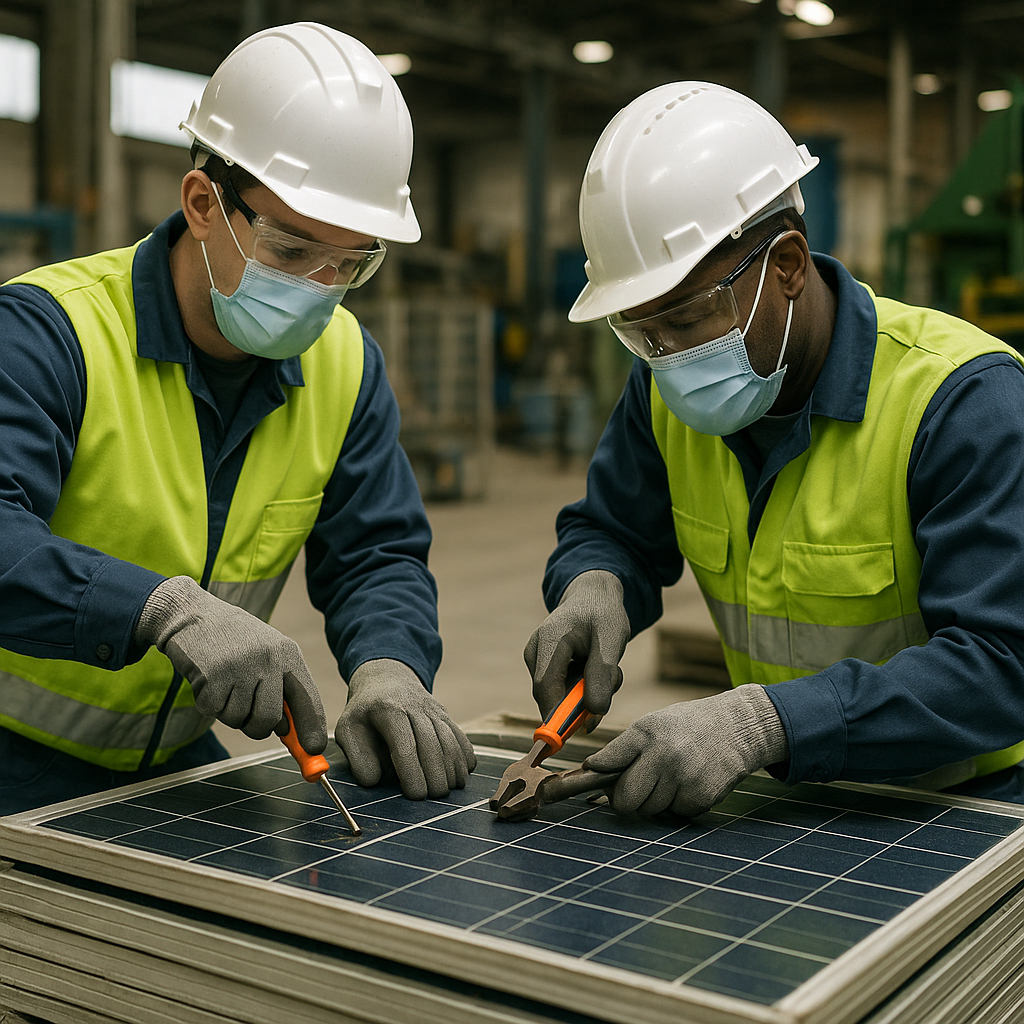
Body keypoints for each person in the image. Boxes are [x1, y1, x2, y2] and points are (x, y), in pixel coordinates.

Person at [0, 22, 475, 815]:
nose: (321, 286)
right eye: (291, 251)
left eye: (352, 262)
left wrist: (389, 665)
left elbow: (375, 553)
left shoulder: (346, 365)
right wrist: (160, 608)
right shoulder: (50, 333)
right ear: (202, 204)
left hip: (176, 763)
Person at [525, 81, 1024, 818]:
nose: (667, 354)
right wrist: (594, 583)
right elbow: (614, 530)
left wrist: (766, 723)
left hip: (961, 812)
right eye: (639, 331)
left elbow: (1003, 665)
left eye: (689, 316)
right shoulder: (664, 386)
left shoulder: (962, 402)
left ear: (788, 264)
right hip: (784, 801)